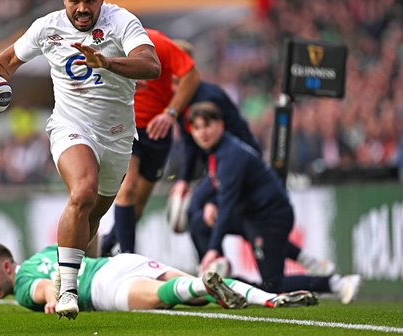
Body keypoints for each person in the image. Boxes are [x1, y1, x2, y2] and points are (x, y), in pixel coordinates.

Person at [0, 0, 161, 319]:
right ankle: (67, 289)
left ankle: (64, 272)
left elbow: (151, 65)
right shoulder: (46, 27)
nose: (82, 9)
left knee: (94, 216)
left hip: (117, 135)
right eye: (74, 1)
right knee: (82, 192)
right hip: (71, 126)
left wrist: (107, 62)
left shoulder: (122, 22)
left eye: (90, 1)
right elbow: (6, 62)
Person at [169, 40, 335, 278]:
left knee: (232, 217)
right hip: (218, 163)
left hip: (237, 163)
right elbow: (188, 143)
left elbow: (223, 138)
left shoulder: (208, 97)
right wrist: (183, 179)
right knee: (208, 217)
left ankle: (214, 264)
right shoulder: (180, 98)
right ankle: (215, 270)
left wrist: (213, 202)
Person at [187, 101, 362, 304]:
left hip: (269, 218)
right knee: (199, 221)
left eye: (207, 125)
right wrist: (210, 203)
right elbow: (215, 189)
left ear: (220, 125)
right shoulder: (219, 152)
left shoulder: (230, 156)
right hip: (251, 216)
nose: (202, 133)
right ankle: (305, 260)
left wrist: (213, 249)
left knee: (273, 284)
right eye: (197, 128)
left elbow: (227, 205)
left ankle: (337, 284)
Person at [0, 242, 319, 314]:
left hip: (102, 289)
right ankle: (269, 298)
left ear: (6, 265)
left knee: (168, 296)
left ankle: (202, 282)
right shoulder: (45, 253)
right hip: (119, 263)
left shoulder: (20, 286)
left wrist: (52, 299)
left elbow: (45, 287)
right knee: (205, 296)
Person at [100, 29, 200, 255]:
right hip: (126, 128)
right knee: (128, 189)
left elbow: (190, 78)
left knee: (138, 206)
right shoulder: (120, 45)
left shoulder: (166, 53)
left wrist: (170, 113)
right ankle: (128, 258)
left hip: (156, 133)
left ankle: (107, 245)